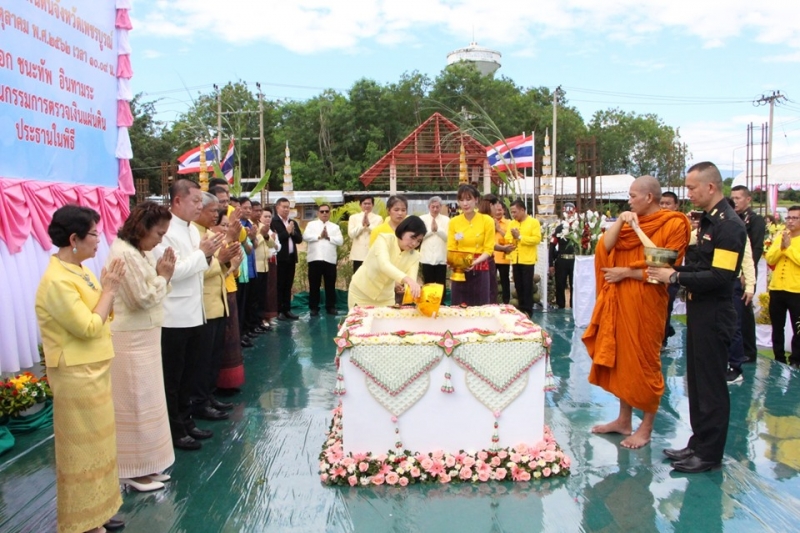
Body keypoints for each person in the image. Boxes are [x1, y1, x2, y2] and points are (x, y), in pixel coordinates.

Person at [649, 161, 747, 473]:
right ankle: (698, 442)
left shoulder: (728, 226)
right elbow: (700, 265)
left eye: (692, 187)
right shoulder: (708, 221)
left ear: (710, 187)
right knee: (697, 381)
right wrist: (674, 270)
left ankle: (710, 453)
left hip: (715, 312)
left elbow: (720, 276)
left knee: (711, 386)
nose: (688, 192)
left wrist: (674, 279)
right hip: (699, 311)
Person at [35, 205, 126, 533]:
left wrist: (107, 293)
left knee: (101, 446)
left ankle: (99, 510)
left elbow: (102, 311)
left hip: (94, 369)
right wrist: (111, 290)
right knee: (80, 451)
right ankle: (81, 522)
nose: (99, 242)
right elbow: (88, 325)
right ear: (74, 239)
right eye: (94, 236)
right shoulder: (57, 281)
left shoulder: (81, 269)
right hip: (75, 376)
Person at [583, 176, 691, 450]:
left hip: (646, 302)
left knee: (645, 363)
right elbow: (602, 249)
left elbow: (667, 266)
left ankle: (647, 426)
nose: (629, 200)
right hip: (619, 301)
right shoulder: (631, 224)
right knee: (622, 361)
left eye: (632, 196)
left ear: (648, 198)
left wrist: (627, 272)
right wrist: (620, 221)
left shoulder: (674, 224)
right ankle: (623, 420)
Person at [107, 202, 176, 493]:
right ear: (142, 228)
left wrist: (161, 276)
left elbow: (152, 291)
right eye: (159, 233)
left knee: (148, 401)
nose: (161, 239)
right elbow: (143, 297)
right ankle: (132, 470)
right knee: (134, 403)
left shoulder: (137, 251)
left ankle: (148, 463)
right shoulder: (124, 252)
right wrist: (164, 277)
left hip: (144, 335)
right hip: (130, 339)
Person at [154, 178, 224, 451]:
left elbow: (199, 269)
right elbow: (173, 272)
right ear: (177, 201)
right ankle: (175, 428)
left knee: (190, 374)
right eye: (195, 201)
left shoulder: (194, 232)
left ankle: (187, 420)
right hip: (174, 315)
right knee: (174, 377)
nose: (200, 206)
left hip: (195, 311)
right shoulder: (166, 231)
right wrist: (202, 255)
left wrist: (209, 256)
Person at [191, 193, 240, 422]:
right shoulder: (193, 237)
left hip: (218, 303)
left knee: (213, 357)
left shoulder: (209, 234)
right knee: (202, 359)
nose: (216, 214)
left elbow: (221, 268)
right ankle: (200, 402)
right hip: (204, 305)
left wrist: (228, 260)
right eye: (212, 210)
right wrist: (220, 261)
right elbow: (196, 272)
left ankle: (209, 397)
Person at [348, 216, 424, 309]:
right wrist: (408, 281)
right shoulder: (384, 239)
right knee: (359, 323)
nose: (414, 243)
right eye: (413, 237)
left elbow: (411, 280)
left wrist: (406, 287)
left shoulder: (415, 255)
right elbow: (384, 265)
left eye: (418, 241)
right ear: (403, 230)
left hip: (386, 299)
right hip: (361, 293)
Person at [731, 185, 766, 364]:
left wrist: (746, 272)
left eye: (738, 198)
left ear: (748, 199)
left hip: (747, 269)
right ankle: (738, 348)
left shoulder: (755, 220)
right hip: (733, 271)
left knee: (744, 310)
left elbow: (756, 247)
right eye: (733, 198)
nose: (735, 201)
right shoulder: (732, 218)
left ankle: (749, 351)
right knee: (735, 311)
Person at [214, 212, 247, 394]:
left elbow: (233, 272)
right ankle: (218, 387)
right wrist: (231, 266)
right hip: (219, 292)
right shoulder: (213, 243)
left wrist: (234, 267)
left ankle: (229, 383)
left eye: (228, 225)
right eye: (223, 225)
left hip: (230, 287)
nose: (227, 229)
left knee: (230, 339)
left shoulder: (227, 242)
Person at [764, 205, 800, 367]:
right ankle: (778, 357)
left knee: (797, 328)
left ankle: (796, 359)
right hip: (777, 289)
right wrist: (782, 247)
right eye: (789, 218)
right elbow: (770, 258)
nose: (790, 221)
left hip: (796, 290)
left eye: (795, 218)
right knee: (777, 326)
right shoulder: (781, 236)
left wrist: (789, 248)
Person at [447, 184, 494, 306]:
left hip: (481, 267)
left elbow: (488, 249)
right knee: (458, 306)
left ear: (476, 200)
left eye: (468, 199)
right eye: (461, 200)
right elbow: (451, 247)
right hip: (460, 270)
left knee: (480, 307)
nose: (465, 204)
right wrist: (452, 262)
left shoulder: (487, 221)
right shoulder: (454, 222)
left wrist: (474, 262)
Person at [303, 203, 344, 316]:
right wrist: (319, 236)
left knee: (330, 285)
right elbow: (305, 237)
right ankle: (314, 308)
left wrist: (328, 237)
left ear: (330, 213)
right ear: (318, 213)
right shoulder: (311, 225)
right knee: (314, 285)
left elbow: (340, 241)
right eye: (322, 211)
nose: (324, 213)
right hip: (315, 258)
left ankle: (330, 307)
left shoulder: (334, 227)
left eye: (327, 211)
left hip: (329, 259)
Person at [505, 200, 543, 317]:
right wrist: (512, 237)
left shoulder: (533, 222)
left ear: (522, 210)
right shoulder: (512, 223)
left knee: (527, 286)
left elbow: (536, 239)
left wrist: (520, 237)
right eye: (512, 212)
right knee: (518, 286)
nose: (513, 215)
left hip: (527, 260)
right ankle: (521, 310)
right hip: (515, 259)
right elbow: (507, 237)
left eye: (515, 212)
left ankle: (528, 311)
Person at [270, 197, 303, 320]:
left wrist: (292, 232)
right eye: (283, 207)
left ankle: (287, 309)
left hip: (290, 258)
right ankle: (279, 310)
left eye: (288, 207)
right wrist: (287, 232)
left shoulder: (292, 222)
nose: (286, 209)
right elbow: (277, 239)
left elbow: (299, 239)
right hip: (280, 258)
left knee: (288, 285)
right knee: (279, 285)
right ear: (277, 207)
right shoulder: (274, 222)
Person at [659, 191, 682, 345]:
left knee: (665, 308)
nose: (664, 207)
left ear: (676, 206)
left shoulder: (679, 224)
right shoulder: (656, 221)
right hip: (655, 271)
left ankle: (663, 339)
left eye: (668, 204)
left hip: (670, 273)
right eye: (662, 203)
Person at [255, 206, 280, 328]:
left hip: (269, 264)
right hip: (257, 265)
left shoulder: (271, 230)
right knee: (258, 295)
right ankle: (259, 320)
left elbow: (274, 245)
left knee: (268, 292)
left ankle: (267, 317)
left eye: (269, 216)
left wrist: (269, 237)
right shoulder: (256, 228)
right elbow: (253, 244)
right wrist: (262, 235)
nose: (267, 219)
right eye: (265, 216)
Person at [549, 203, 577, 309]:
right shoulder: (559, 228)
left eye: (571, 213)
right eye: (567, 213)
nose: (569, 215)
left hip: (574, 261)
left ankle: (574, 306)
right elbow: (552, 246)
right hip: (562, 261)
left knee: (575, 285)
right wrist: (550, 263)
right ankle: (560, 307)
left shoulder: (578, 227)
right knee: (560, 285)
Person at [419, 196, 450, 289]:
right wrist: (431, 231)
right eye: (433, 207)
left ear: (441, 207)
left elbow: (448, 238)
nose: (435, 209)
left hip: (441, 257)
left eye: (437, 207)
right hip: (426, 257)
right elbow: (419, 238)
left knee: (441, 284)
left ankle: (442, 303)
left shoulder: (446, 220)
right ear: (429, 207)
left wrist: (438, 230)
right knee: (428, 283)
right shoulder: (422, 219)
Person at [347, 196, 382, 273]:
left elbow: (379, 234)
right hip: (358, 254)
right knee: (357, 278)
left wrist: (369, 225)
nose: (367, 206)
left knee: (372, 278)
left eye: (369, 203)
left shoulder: (378, 218)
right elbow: (351, 234)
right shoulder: (353, 218)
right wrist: (362, 225)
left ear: (373, 205)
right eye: (365, 203)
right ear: (360, 205)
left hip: (372, 253)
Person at [491, 199, 513, 305]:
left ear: (504, 210)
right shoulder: (489, 221)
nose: (498, 212)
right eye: (496, 210)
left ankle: (506, 302)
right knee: (492, 281)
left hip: (504, 257)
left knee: (505, 281)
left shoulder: (509, 223)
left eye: (500, 210)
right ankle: (492, 302)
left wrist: (499, 229)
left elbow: (509, 239)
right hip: (492, 256)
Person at [479, 195, 500, 304]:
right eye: (496, 206)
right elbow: (490, 245)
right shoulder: (490, 221)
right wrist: (504, 248)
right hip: (487, 258)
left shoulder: (477, 218)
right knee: (491, 288)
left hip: (476, 258)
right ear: (491, 205)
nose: (497, 209)